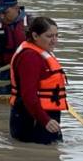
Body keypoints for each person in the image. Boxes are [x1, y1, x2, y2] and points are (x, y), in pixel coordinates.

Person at [8, 16, 66, 144]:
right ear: (35, 36)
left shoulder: (40, 52)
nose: (54, 40)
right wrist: (45, 120)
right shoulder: (30, 57)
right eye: (49, 36)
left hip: (41, 118)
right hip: (33, 120)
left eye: (56, 35)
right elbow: (28, 95)